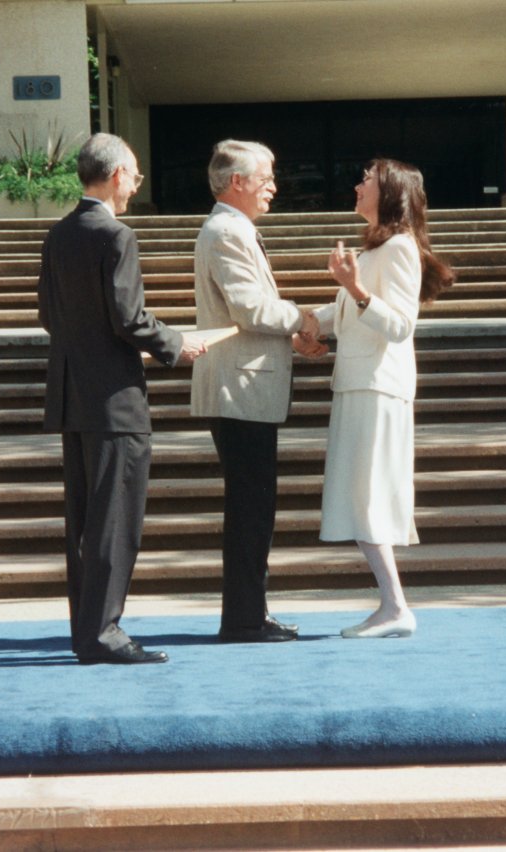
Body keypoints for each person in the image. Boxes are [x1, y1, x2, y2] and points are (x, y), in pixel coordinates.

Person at [38, 133, 206, 665]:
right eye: (134, 175)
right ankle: (104, 634)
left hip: (73, 398)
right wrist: (176, 344)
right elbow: (129, 318)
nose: (136, 184)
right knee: (114, 523)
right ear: (116, 176)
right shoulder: (116, 235)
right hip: (115, 401)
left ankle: (87, 632)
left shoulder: (58, 234)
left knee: (85, 524)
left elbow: (47, 314)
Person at [307, 158, 455, 638]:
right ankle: (392, 605)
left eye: (366, 180)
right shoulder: (377, 248)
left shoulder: (399, 248)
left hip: (378, 384)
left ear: (388, 191)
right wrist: (303, 323)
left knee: (368, 494)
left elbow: (400, 325)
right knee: (361, 494)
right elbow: (347, 309)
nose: (357, 185)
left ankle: (395, 607)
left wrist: (353, 287)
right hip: (359, 382)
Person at [191, 139, 321, 643]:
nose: (273, 187)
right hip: (238, 389)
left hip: (242, 387)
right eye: (265, 178)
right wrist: (307, 319)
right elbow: (249, 308)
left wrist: (292, 334)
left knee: (254, 508)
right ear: (236, 182)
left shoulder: (233, 228)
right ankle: (244, 618)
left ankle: (249, 613)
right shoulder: (227, 231)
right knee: (251, 509)